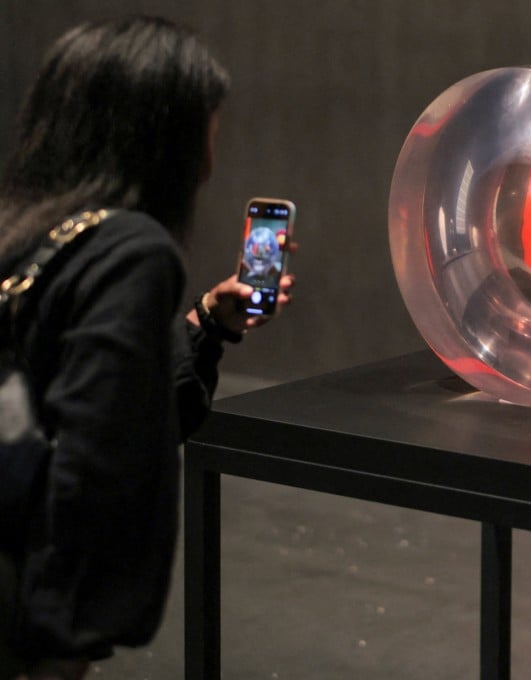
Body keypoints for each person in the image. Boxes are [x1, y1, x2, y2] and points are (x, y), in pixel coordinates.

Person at [0, 16, 295, 679]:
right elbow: (95, 460)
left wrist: (204, 328)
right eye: (209, 128)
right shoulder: (132, 250)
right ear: (165, 137)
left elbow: (130, 413)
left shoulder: (22, 232)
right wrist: (62, 645)